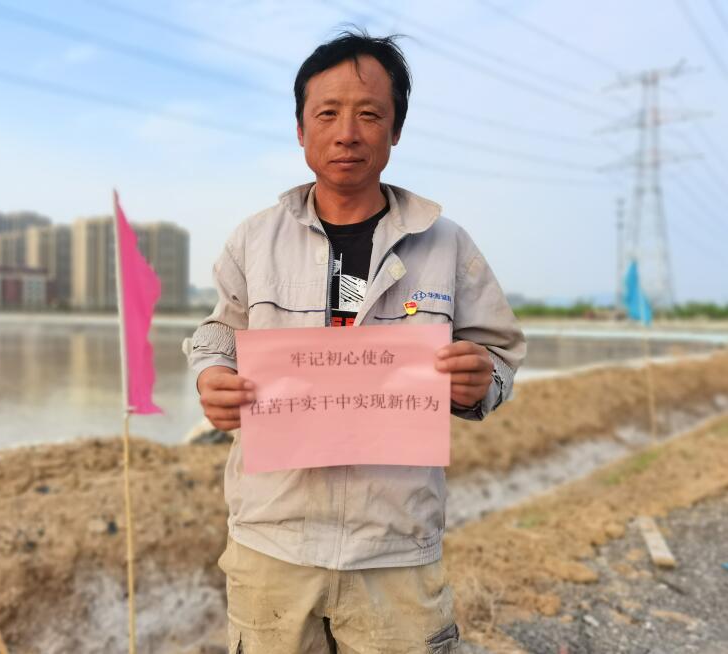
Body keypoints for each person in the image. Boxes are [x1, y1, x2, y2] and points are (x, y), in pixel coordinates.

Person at [185, 30, 526, 654]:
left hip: (395, 545)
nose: (347, 133)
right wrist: (212, 375)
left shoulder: (445, 245)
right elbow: (220, 331)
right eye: (327, 114)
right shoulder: (254, 240)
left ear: (395, 131)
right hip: (272, 539)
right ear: (300, 129)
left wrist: (481, 379)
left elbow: (498, 354)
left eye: (369, 114)